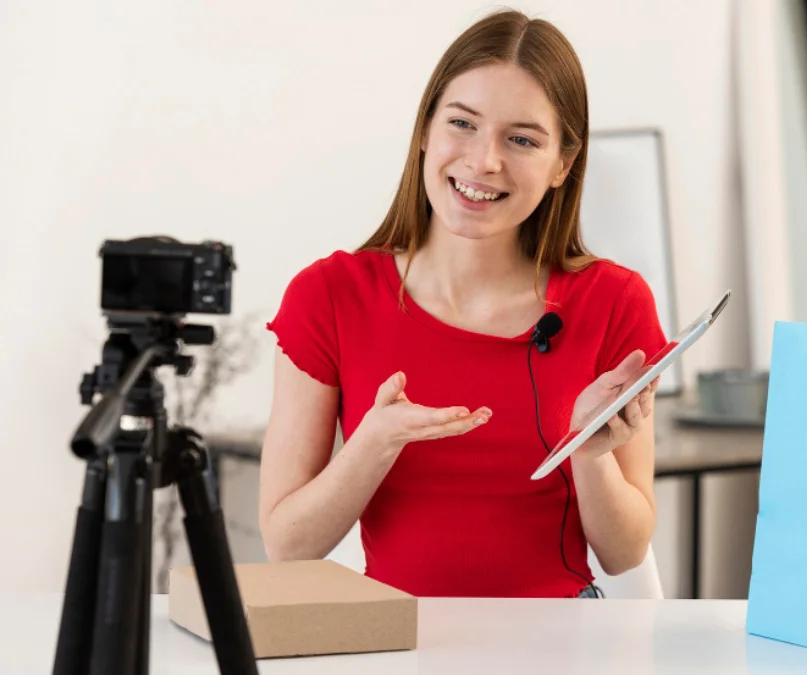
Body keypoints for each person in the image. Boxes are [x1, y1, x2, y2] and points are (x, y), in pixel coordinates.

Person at [258, 9, 667, 599]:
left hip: (563, 642)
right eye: (463, 124)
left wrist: (591, 451)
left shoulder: (614, 302)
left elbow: (625, 553)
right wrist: (373, 445)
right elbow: (288, 546)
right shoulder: (328, 296)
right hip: (399, 644)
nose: (484, 161)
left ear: (563, 165)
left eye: (522, 139)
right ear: (426, 130)